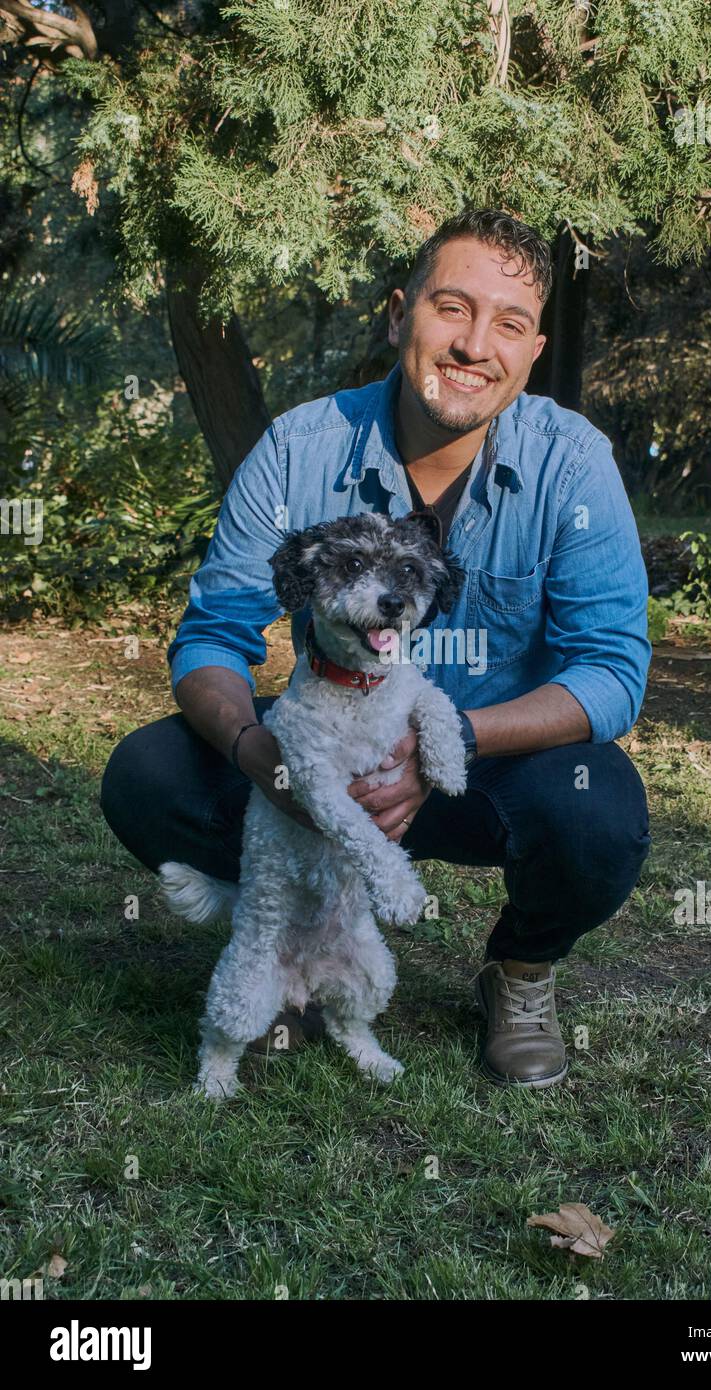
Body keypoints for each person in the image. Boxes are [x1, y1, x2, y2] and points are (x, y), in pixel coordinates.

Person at [101, 207, 652, 1089]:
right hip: (316, 759)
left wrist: (455, 743)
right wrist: (260, 755)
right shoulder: (298, 447)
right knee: (148, 773)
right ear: (400, 314)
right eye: (452, 308)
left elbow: (614, 670)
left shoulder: (573, 463)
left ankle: (518, 974)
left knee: (600, 810)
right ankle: (294, 937)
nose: (475, 344)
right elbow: (213, 635)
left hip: (481, 765)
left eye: (508, 324)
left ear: (533, 350)